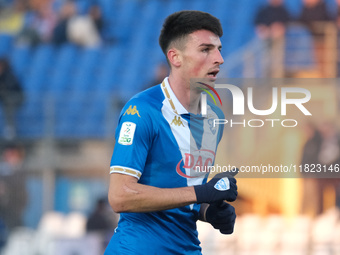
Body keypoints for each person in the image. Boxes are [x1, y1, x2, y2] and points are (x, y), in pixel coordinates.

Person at [105, 10, 238, 255]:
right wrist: (202, 192)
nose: (219, 58)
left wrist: (209, 210)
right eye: (206, 49)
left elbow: (185, 189)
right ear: (175, 57)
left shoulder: (214, 117)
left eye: (219, 49)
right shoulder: (142, 111)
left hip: (188, 248)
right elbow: (120, 196)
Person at [0, 144, 27, 240]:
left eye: (12, 154)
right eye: (7, 154)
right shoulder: (3, 171)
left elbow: (22, 199)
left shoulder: (20, 173)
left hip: (13, 217)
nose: (9, 157)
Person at [0, 58, 24, 140]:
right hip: (7, 98)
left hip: (16, 97)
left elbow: (12, 87)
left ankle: (10, 129)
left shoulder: (9, 75)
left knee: (8, 106)